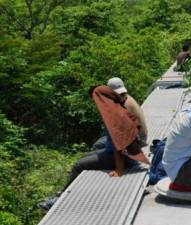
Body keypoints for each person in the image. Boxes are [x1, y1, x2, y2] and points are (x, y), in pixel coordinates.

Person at [38, 78, 149, 211]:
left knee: (78, 166)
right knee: (87, 155)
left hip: (126, 155)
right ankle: (64, 191)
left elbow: (117, 144)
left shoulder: (114, 113)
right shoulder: (123, 101)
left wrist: (120, 170)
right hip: (131, 147)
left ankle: (58, 199)